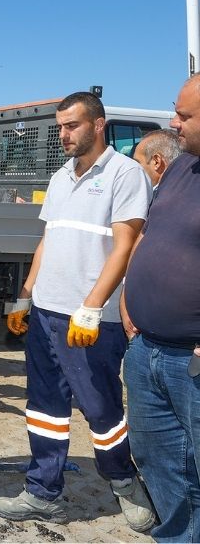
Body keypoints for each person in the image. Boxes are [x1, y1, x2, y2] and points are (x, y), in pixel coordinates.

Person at [0, 91, 155, 531]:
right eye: (60, 126)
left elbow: (125, 247)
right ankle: (43, 491)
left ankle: (124, 483)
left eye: (72, 125)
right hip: (46, 313)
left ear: (98, 125)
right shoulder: (62, 176)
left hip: (88, 320)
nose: (63, 134)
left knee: (101, 409)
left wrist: (92, 305)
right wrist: (26, 294)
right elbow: (49, 240)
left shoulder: (125, 175)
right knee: (44, 406)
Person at [120, 76, 200, 541]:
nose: (174, 123)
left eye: (185, 116)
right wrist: (131, 302)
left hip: (191, 360)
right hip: (147, 349)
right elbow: (149, 235)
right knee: (160, 461)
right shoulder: (181, 167)